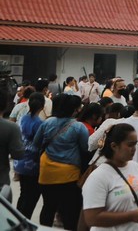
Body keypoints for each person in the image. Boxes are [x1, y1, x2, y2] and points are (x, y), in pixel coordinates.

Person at [83, 123, 138, 231]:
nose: (134, 149)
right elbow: (92, 218)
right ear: (114, 146)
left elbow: (131, 200)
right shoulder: (99, 176)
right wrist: (131, 216)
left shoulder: (135, 167)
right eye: (130, 145)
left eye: (135, 144)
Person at [33, 94, 88, 229]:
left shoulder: (47, 123)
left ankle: (44, 228)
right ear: (73, 109)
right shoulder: (78, 127)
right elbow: (85, 149)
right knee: (69, 210)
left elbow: (36, 144)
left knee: (48, 206)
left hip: (47, 172)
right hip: (69, 174)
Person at [14, 92, 44, 218]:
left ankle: (17, 219)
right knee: (31, 197)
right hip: (33, 164)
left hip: (20, 161)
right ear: (42, 106)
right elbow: (41, 144)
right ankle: (24, 223)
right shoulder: (39, 123)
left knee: (23, 194)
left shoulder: (23, 118)